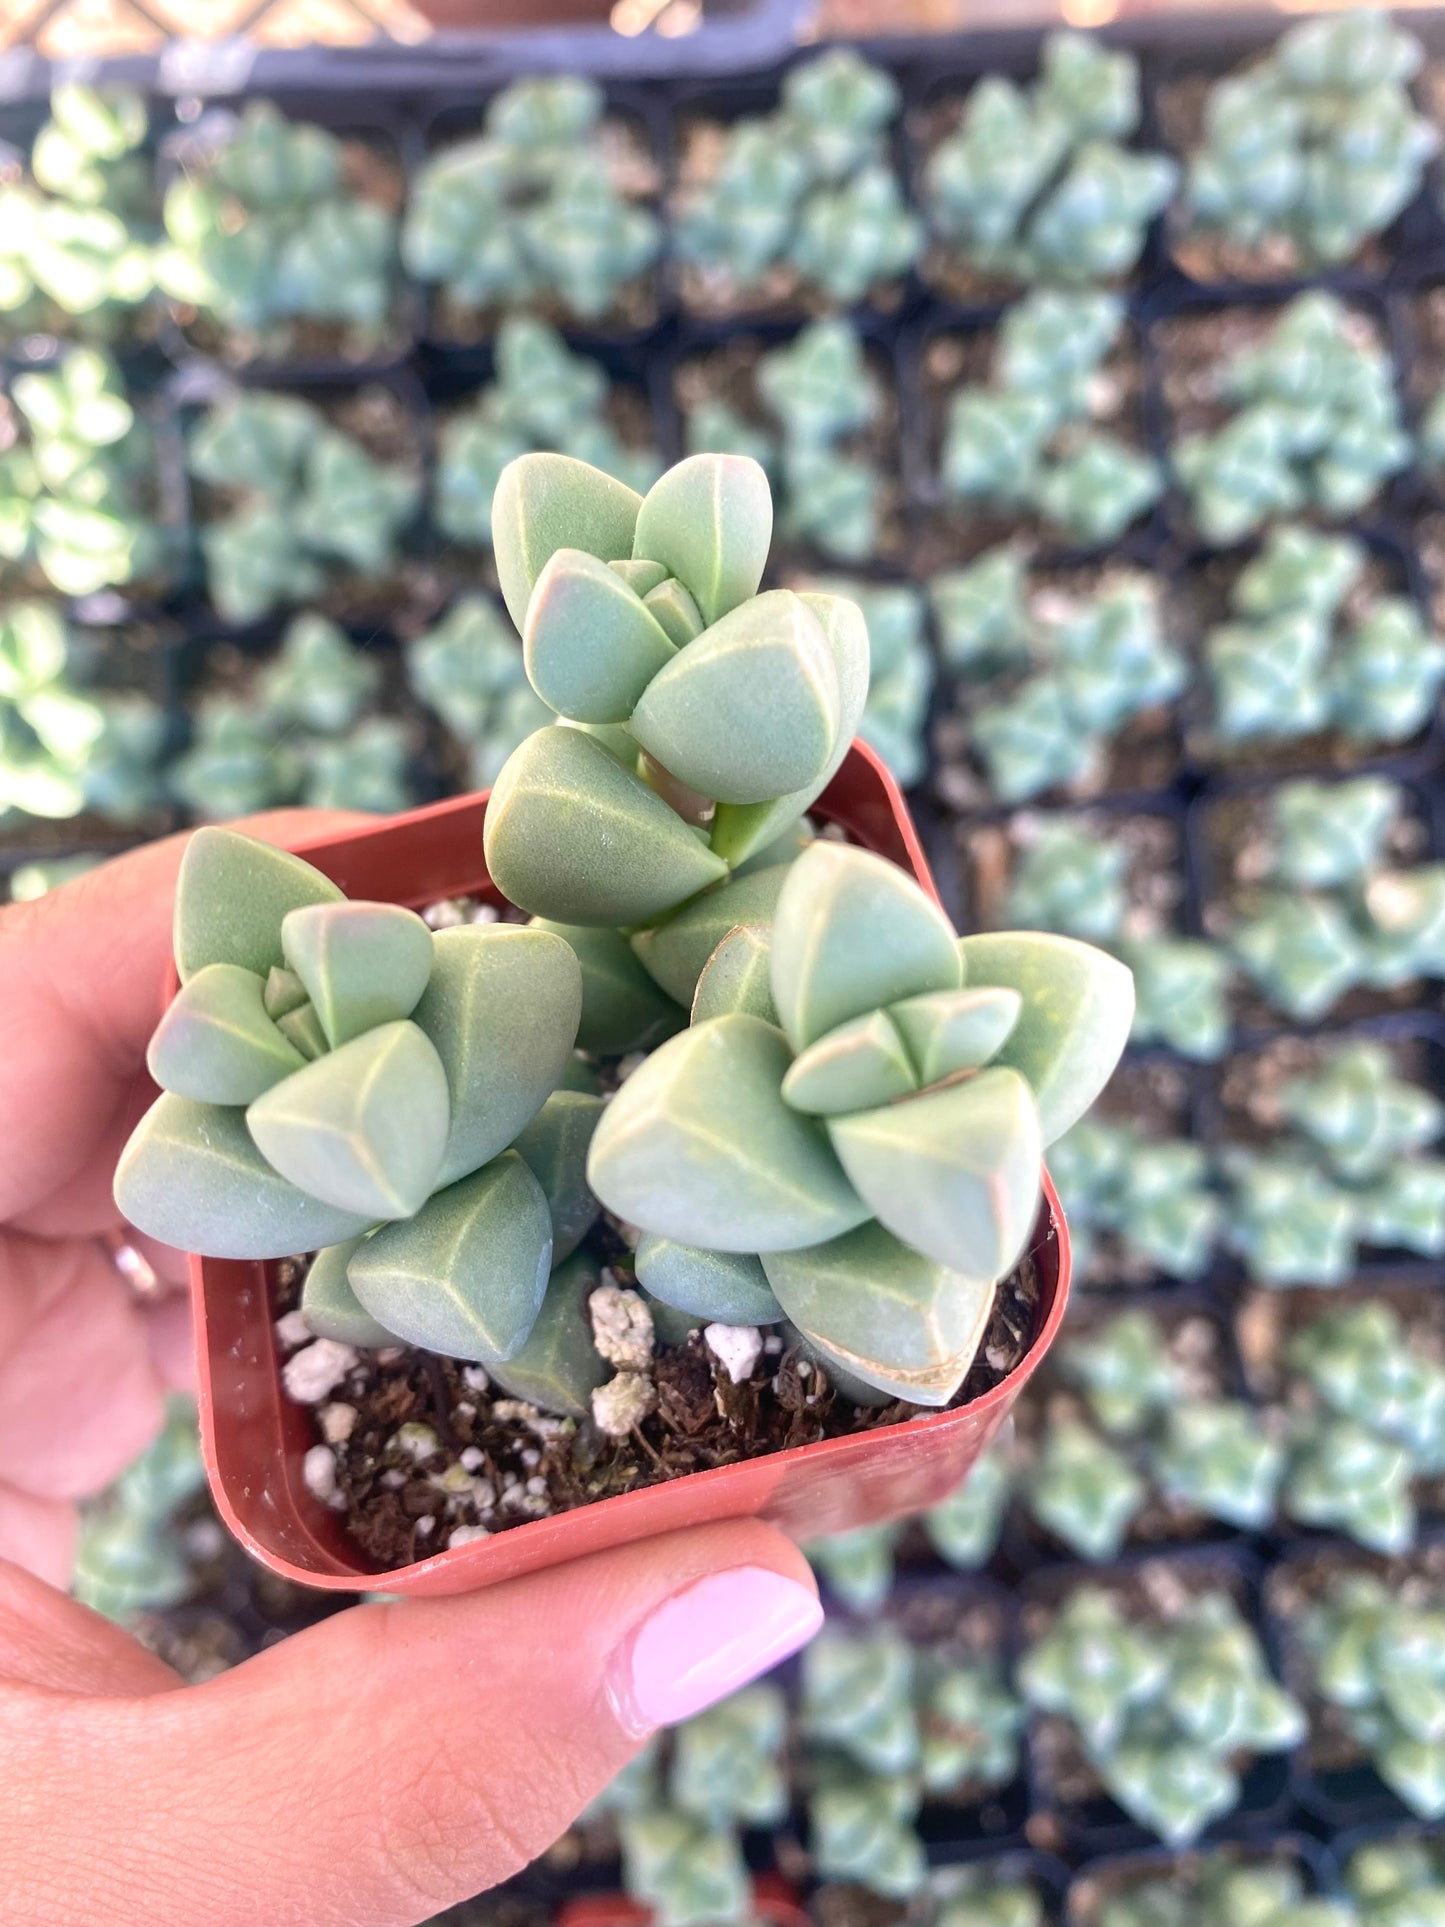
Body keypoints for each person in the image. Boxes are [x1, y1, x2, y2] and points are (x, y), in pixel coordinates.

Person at [0, 812, 822, 1927]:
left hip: (521, 1194)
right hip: (445, 1245)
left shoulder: (495, 1005)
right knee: (491, 1295)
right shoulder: (364, 1222)